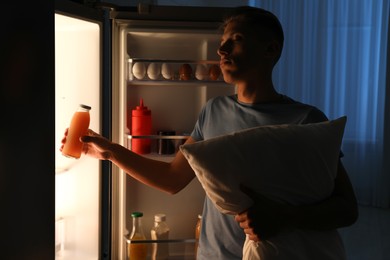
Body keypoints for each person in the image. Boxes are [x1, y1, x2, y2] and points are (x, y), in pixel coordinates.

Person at [61, 6, 358, 259]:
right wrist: (110, 151)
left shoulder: (306, 119)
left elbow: (347, 208)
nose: (222, 49)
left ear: (271, 49)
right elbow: (172, 179)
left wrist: (285, 218)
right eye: (223, 41)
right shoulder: (213, 111)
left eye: (237, 40)